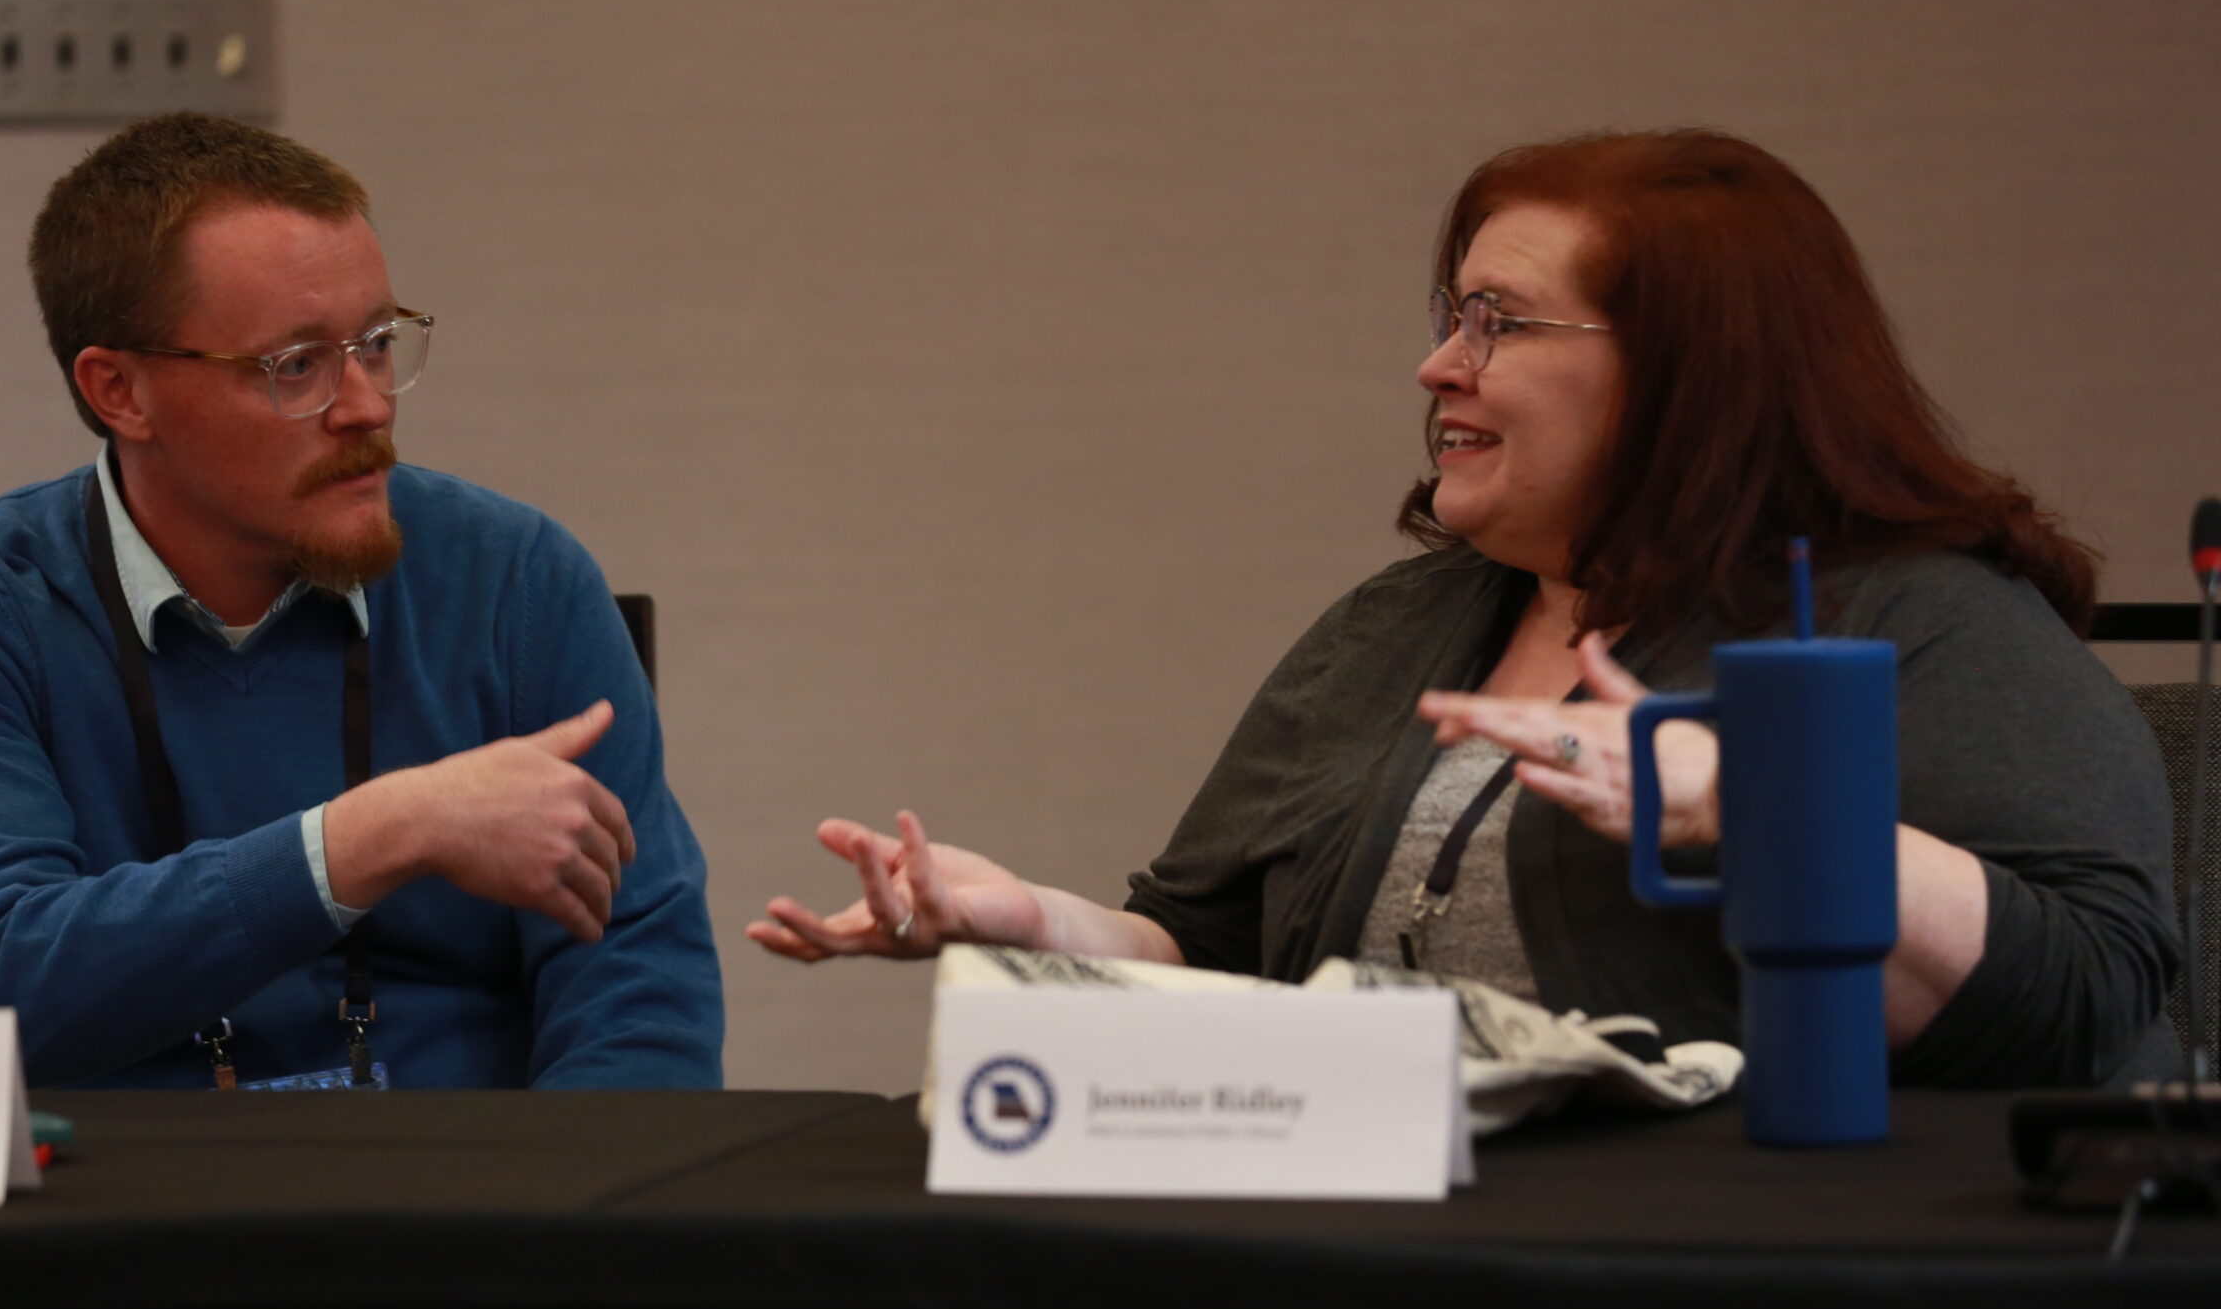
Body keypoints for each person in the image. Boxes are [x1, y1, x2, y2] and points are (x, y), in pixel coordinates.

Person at [751, 129, 2180, 1091]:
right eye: (1450, 313)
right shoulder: (1395, 625)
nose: (1441, 364)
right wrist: (1025, 919)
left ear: (1692, 370)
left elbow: (2093, 1009)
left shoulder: (1936, 622)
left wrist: (1757, 800)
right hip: (1378, 1263)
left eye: (1499, 321)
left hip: (1744, 1297)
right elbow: (1218, 961)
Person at [0, 114, 723, 1090]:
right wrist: (378, 834)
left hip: (473, 1209)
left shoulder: (513, 579)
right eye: (297, 365)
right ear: (119, 391)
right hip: (126, 1224)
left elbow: (640, 991)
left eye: (378, 343)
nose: (368, 405)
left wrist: (551, 1229)